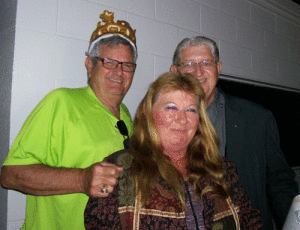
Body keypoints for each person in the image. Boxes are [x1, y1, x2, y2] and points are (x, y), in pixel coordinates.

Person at [0, 10, 137, 229]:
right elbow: (10, 174)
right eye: (109, 62)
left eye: (127, 65)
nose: (119, 72)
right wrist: (81, 179)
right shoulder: (62, 102)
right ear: (90, 64)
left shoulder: (128, 115)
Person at [84, 72, 263, 229]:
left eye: (191, 110)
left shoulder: (224, 171)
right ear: (148, 113)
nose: (182, 119)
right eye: (171, 107)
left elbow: (250, 222)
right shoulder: (119, 169)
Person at [170, 36, 298, 230]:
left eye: (206, 63)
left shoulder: (257, 119)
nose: (198, 71)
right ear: (175, 72)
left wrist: (293, 223)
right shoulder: (160, 123)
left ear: (218, 68)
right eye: (188, 64)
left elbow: (279, 182)